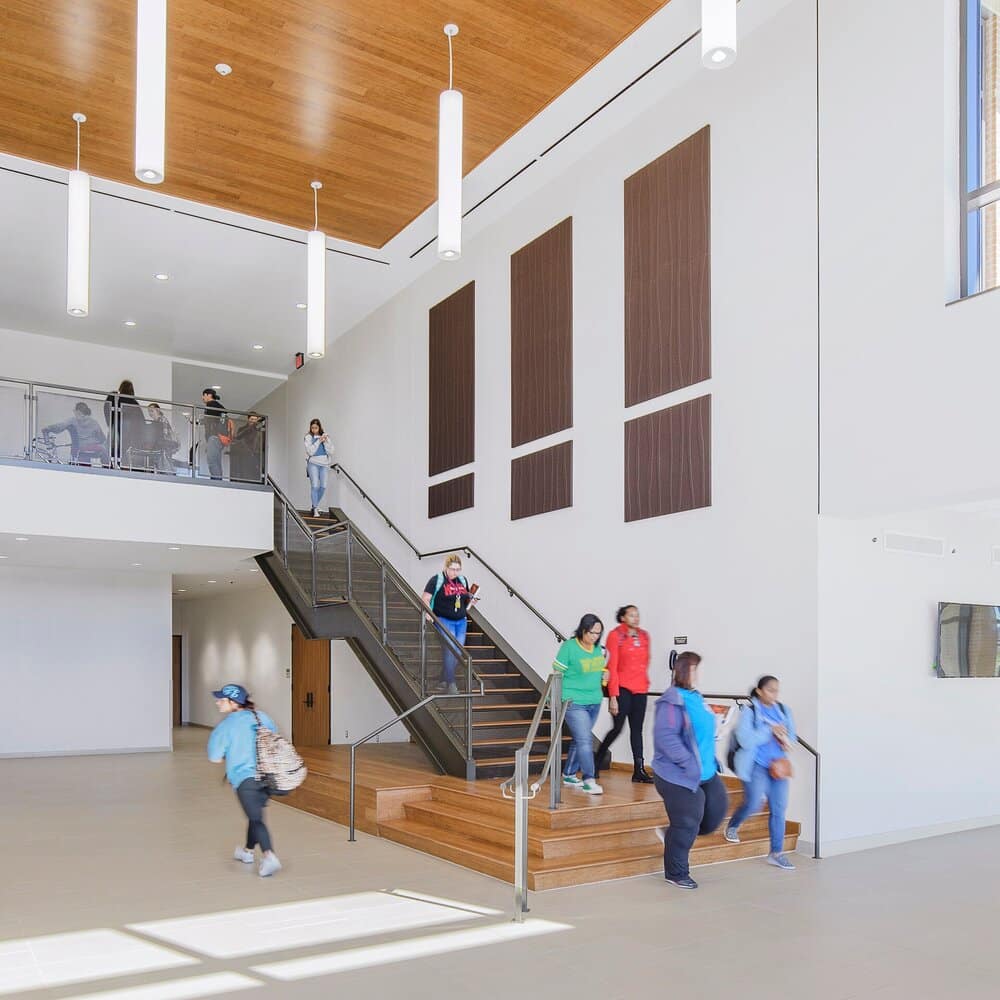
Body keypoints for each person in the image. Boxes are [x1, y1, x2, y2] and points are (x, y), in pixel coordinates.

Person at [651, 651, 727, 889]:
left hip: (706, 771)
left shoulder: (696, 697)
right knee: (687, 821)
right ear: (685, 671)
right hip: (676, 775)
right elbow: (666, 738)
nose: (700, 673)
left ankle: (673, 833)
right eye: (696, 669)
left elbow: (700, 733)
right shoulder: (672, 700)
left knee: (715, 813)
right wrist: (688, 762)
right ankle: (676, 872)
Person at [207, 683, 282, 878]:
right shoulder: (261, 716)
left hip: (244, 779)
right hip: (267, 777)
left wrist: (231, 753)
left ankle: (269, 855)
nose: (217, 702)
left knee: (256, 818)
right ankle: (248, 852)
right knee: (254, 814)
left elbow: (214, 757)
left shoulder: (226, 726)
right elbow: (275, 739)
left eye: (221, 699)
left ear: (233, 703)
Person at [725, 675, 798, 871]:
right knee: (754, 802)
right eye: (770, 690)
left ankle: (776, 853)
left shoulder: (783, 711)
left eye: (777, 690)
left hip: (778, 766)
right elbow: (746, 740)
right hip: (756, 765)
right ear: (759, 691)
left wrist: (785, 738)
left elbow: (792, 737)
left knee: (779, 808)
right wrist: (768, 730)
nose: (774, 694)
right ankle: (733, 824)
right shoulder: (749, 713)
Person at [595, 604, 652, 783]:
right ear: (623, 618)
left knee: (637, 730)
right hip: (622, 689)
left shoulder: (644, 636)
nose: (636, 618)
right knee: (618, 728)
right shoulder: (615, 636)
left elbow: (645, 661)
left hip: (640, 689)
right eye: (631, 615)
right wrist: (613, 696)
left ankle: (639, 770)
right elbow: (611, 667)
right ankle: (597, 760)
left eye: (637, 614)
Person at [554, 614, 608, 795]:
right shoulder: (569, 647)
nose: (595, 636)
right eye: (592, 632)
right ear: (583, 630)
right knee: (586, 740)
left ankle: (569, 773)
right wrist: (553, 698)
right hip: (573, 701)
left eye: (598, 633)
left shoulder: (598, 649)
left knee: (580, 739)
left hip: (594, 701)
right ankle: (589, 779)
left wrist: (604, 676)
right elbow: (557, 673)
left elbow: (597, 670)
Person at [421, 554, 478, 695]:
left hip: (461, 621)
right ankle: (451, 684)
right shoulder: (437, 580)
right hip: (443, 619)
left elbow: (464, 601)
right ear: (446, 568)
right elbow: (425, 598)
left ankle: (443, 679)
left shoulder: (462, 580)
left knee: (457, 652)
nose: (455, 572)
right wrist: (428, 612)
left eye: (458, 569)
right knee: (450, 649)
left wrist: (471, 603)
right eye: (452, 569)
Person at [43, 401, 109, 466]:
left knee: (100, 449)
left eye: (74, 410)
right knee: (104, 448)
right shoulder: (94, 422)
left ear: (78, 412)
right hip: (90, 448)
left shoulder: (72, 421)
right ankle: (107, 468)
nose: (74, 412)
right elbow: (102, 438)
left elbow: (59, 426)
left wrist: (47, 428)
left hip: (78, 449)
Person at [104, 379, 143, 467]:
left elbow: (107, 410)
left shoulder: (114, 397)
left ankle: (111, 464)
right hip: (128, 432)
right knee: (123, 448)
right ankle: (122, 465)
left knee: (112, 446)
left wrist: (110, 424)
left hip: (115, 426)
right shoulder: (134, 402)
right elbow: (140, 420)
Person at [303, 418, 331, 515]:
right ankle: (315, 508)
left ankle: (315, 505)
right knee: (315, 486)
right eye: (312, 428)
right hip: (313, 463)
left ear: (319, 427)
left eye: (316, 428)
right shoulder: (308, 437)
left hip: (324, 464)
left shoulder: (324, 436)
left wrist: (326, 441)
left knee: (323, 487)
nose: (314, 429)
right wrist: (319, 441)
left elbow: (331, 451)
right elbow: (310, 451)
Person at [201, 388, 227, 480]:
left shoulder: (211, 405)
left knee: (212, 461)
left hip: (214, 437)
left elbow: (210, 420)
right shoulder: (219, 406)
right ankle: (218, 480)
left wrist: (199, 421)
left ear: (208, 395)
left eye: (203, 395)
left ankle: (216, 481)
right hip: (219, 438)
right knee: (216, 460)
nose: (202, 398)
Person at [231, 412, 265, 483]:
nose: (253, 421)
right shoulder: (242, 429)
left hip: (255, 455)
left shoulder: (258, 430)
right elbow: (238, 438)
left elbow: (261, 444)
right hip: (245, 454)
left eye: (255, 419)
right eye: (252, 419)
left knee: (254, 474)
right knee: (245, 473)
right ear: (248, 419)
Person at [146, 403, 180, 473]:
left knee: (164, 465)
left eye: (152, 411)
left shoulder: (162, 420)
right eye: (149, 411)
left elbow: (164, 435)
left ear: (158, 410)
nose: (150, 413)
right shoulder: (155, 422)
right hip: (161, 446)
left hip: (165, 446)